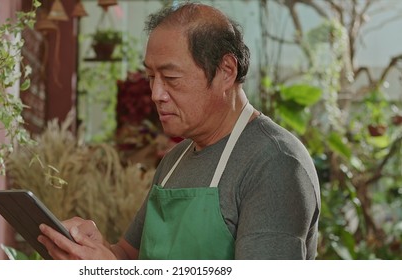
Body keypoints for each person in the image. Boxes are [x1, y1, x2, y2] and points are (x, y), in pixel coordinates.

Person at [38, 2, 320, 260]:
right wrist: (92, 250)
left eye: (171, 78)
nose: (156, 94)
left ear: (226, 71)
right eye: (151, 77)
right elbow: (128, 256)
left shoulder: (275, 164)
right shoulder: (175, 160)